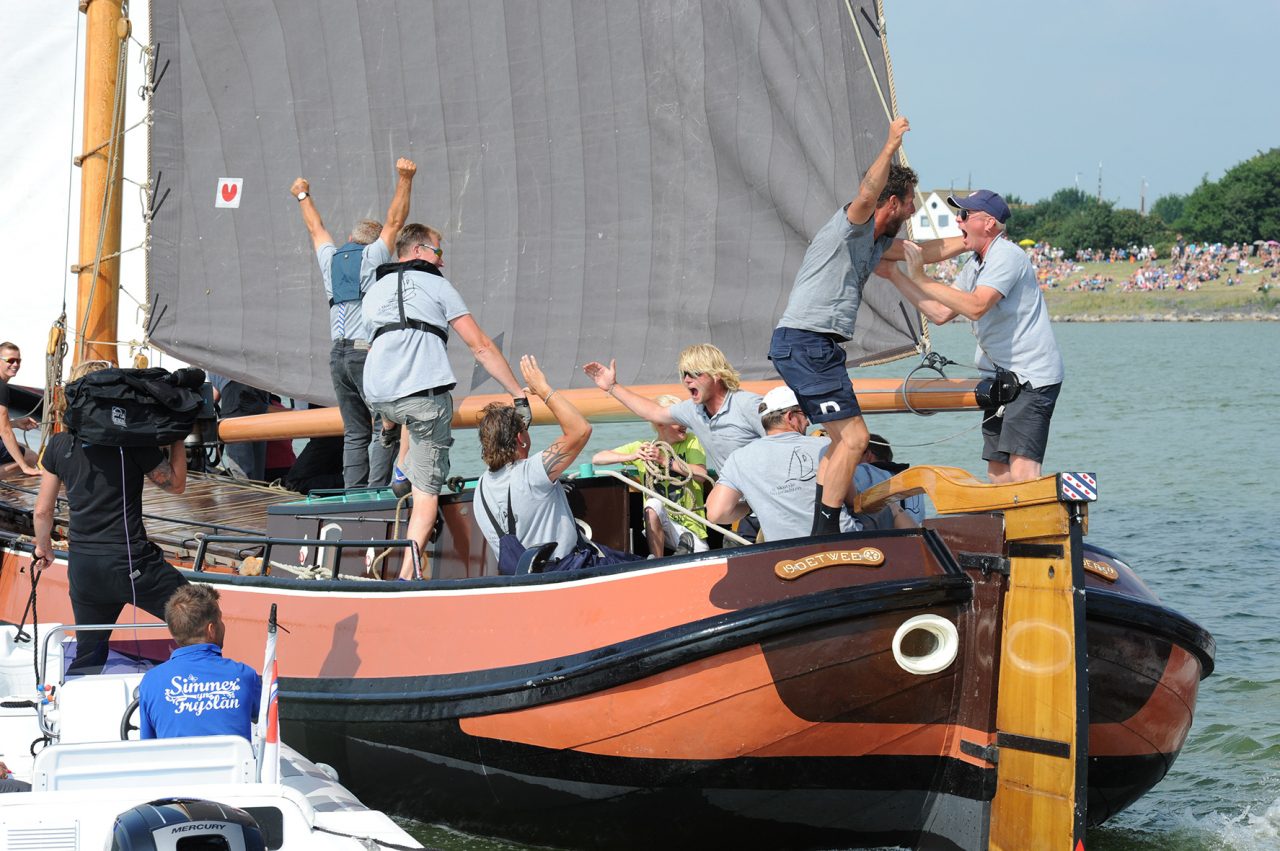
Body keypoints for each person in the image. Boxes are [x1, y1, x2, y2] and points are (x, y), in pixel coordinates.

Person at [768, 116, 964, 535]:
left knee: (841, 443)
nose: (913, 210)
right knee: (857, 441)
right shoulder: (852, 227)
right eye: (910, 202)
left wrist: (971, 240)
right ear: (891, 202)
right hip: (807, 342)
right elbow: (866, 192)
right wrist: (891, 143)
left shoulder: (875, 245)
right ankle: (824, 536)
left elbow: (923, 252)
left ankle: (824, 527)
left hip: (810, 347)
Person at [361, 223, 529, 580]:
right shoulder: (439, 286)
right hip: (422, 400)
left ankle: (396, 449)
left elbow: (376, 346)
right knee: (426, 496)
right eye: (439, 251)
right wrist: (518, 392)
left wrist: (387, 418)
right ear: (419, 251)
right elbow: (480, 345)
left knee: (402, 409)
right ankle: (406, 577)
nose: (443, 259)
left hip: (379, 395)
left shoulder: (373, 290)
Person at [880, 190, 1064, 483]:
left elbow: (977, 306)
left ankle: (1035, 526)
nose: (957, 219)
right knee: (997, 470)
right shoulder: (975, 264)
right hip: (1003, 379)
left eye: (964, 215)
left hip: (1032, 377)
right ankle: (1007, 527)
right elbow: (940, 312)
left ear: (988, 223)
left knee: (1022, 470)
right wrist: (896, 276)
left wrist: (922, 278)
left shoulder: (1006, 256)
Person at [32, 360, 190, 673]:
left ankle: (74, 709)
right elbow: (176, 485)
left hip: (84, 568)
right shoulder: (131, 442)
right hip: (133, 564)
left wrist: (44, 548)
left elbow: (42, 510)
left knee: (89, 653)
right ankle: (192, 692)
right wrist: (178, 434)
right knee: (199, 614)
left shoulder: (59, 444)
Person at [290, 158, 415, 489]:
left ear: (349, 238)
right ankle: (376, 492)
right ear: (374, 243)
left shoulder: (330, 259)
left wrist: (303, 195)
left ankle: (354, 495)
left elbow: (315, 228)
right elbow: (395, 220)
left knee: (354, 431)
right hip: (364, 353)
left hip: (337, 356)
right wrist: (405, 179)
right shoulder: (374, 257)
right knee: (384, 425)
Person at [476, 355, 640, 573]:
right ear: (520, 438)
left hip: (522, 582)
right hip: (569, 572)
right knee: (646, 566)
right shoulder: (532, 473)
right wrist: (543, 389)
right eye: (525, 428)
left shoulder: (480, 488)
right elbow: (580, 430)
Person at [583, 344, 765, 475]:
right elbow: (653, 413)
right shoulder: (693, 410)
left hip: (772, 492)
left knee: (718, 510)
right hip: (742, 500)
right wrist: (612, 387)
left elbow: (788, 442)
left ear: (716, 374)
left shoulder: (749, 405)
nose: (686, 380)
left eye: (694, 374)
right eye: (684, 374)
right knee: (718, 512)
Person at [706, 387, 847, 543]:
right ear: (790, 416)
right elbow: (853, 497)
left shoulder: (738, 459)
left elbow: (716, 513)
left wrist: (750, 507)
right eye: (804, 415)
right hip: (842, 544)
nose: (807, 422)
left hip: (786, 557)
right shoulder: (826, 446)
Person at [138, 584, 261, 741]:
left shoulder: (151, 681)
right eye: (220, 620)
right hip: (233, 765)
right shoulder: (244, 675)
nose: (223, 625)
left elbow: (148, 744)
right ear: (211, 630)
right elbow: (262, 717)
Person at [592, 394, 710, 557]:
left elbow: (701, 475)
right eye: (678, 420)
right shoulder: (644, 448)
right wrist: (632, 456)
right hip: (661, 524)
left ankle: (684, 548)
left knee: (696, 552)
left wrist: (663, 460)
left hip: (690, 526)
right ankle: (657, 560)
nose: (685, 425)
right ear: (661, 423)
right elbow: (597, 458)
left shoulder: (691, 441)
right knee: (653, 503)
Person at [851, 434, 923, 530]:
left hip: (881, 539)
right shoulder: (914, 480)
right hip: (914, 535)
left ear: (868, 455)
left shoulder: (863, 470)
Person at [207, 375, 269, 481]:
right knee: (256, 471)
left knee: (242, 471)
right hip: (258, 386)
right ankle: (256, 493)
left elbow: (214, 397)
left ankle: (246, 494)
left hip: (236, 390)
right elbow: (215, 394)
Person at [0, 342, 40, 477]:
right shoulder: (1, 388)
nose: (15, 364)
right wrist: (24, 467)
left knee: (23, 446)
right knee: (31, 457)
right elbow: (4, 431)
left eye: (18, 360)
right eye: (10, 360)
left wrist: (16, 423)